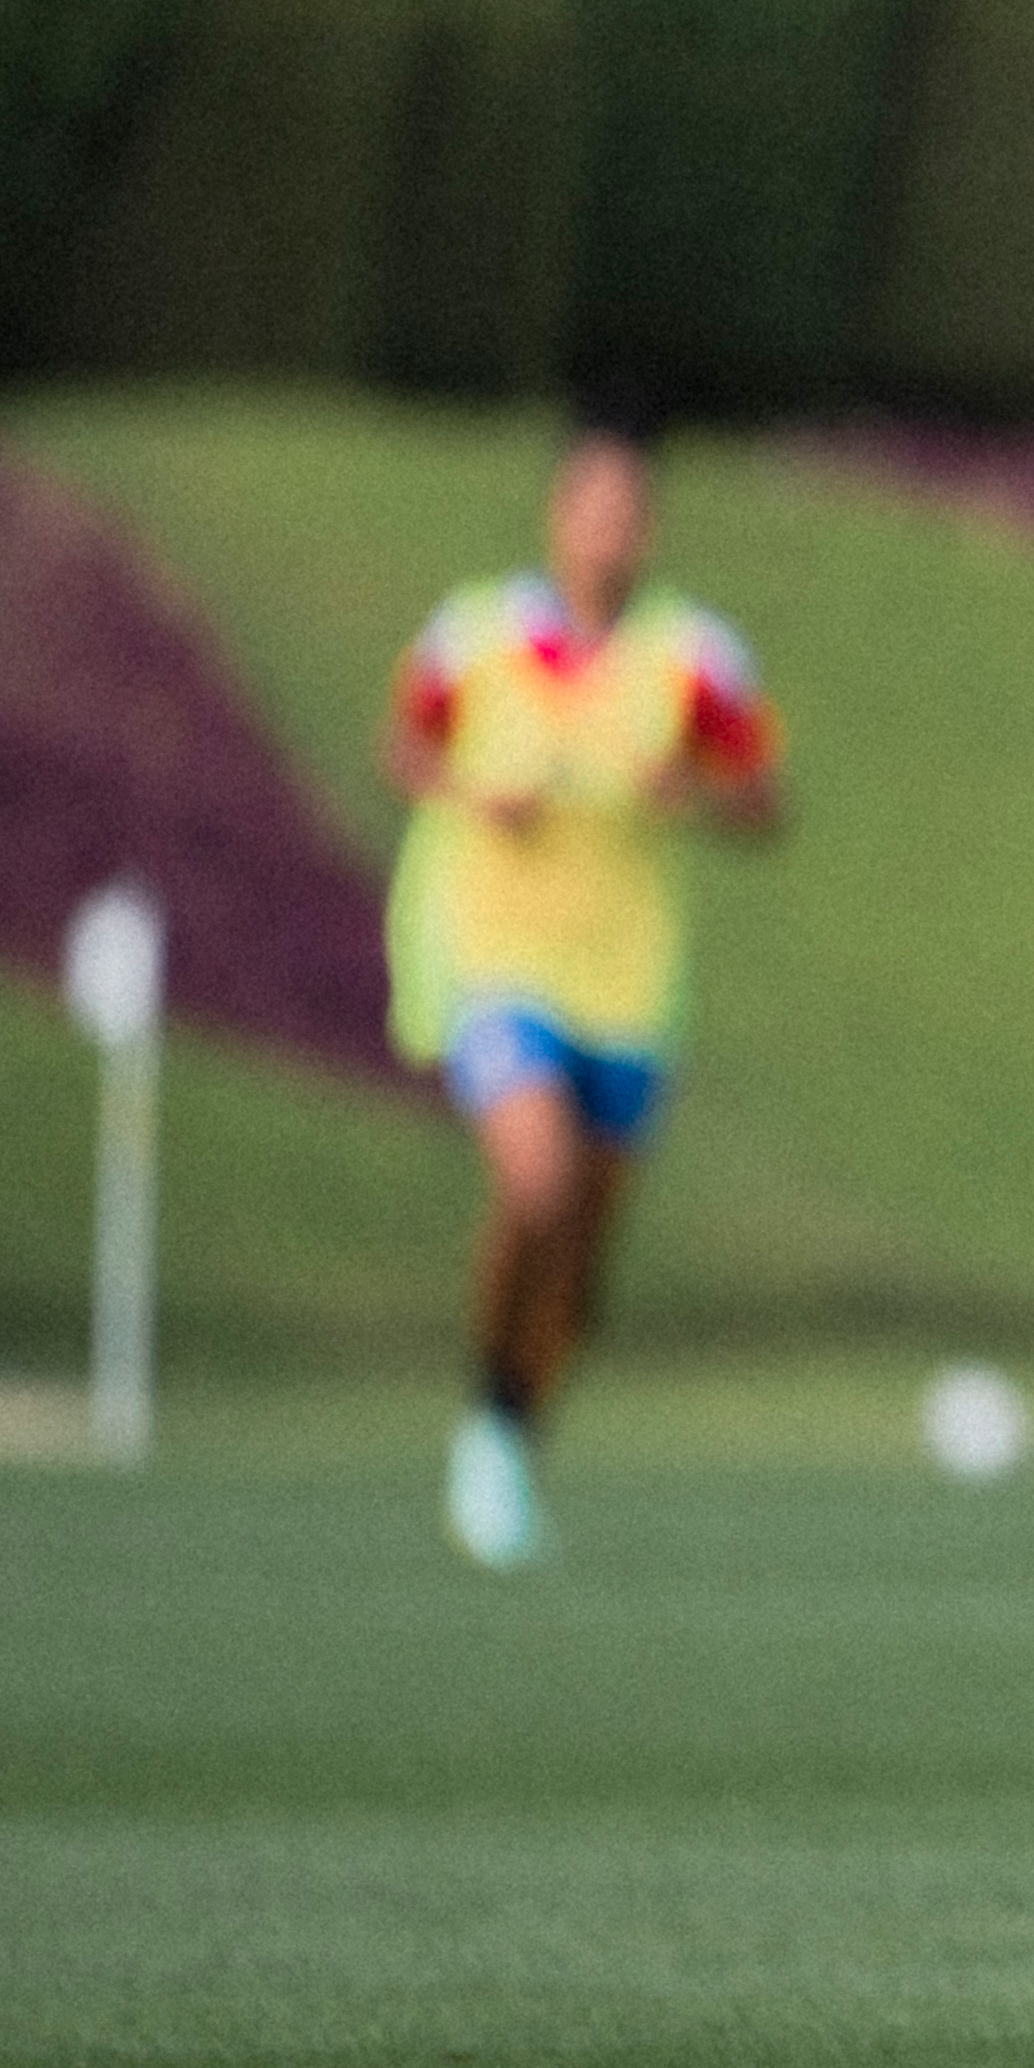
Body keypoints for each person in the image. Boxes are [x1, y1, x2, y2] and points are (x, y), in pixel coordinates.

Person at [384, 416, 785, 1572]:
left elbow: (765, 801)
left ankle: (509, 1429)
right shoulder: (477, 634)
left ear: (647, 530)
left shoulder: (695, 656)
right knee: (536, 1178)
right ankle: (482, 1428)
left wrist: (698, 791)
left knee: (584, 1265)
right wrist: (474, 789)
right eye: (591, 505)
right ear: (559, 516)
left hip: (629, 985)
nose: (610, 529)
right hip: (498, 960)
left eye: (630, 510)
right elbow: (403, 748)